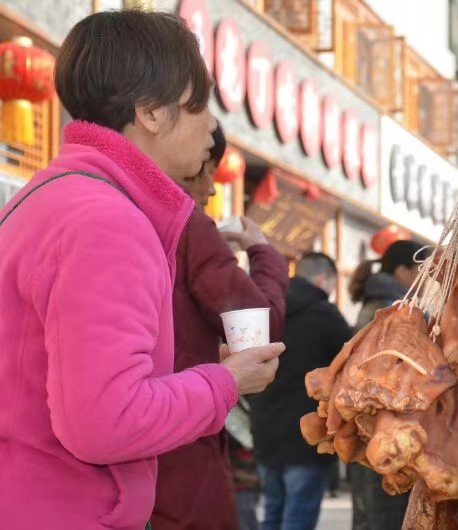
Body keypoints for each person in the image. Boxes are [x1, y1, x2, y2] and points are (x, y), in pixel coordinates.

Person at [0, 11, 283, 529]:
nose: (213, 125)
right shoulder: (107, 219)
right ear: (151, 112)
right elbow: (104, 421)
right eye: (202, 103)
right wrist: (224, 382)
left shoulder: (47, 196)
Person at [151, 124, 289, 529]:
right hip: (180, 440)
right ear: (153, 117)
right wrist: (264, 254)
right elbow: (257, 327)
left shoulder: (99, 205)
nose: (211, 187)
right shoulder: (186, 222)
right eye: (205, 167)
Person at [250, 252, 353, 530]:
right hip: (306, 432)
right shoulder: (324, 313)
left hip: (264, 428)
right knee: (298, 515)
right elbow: (352, 359)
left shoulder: (267, 309)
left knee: (273, 511)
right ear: (322, 279)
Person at [347, 240, 428, 530]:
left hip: (372, 430)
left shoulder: (380, 303)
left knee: (370, 516)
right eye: (422, 271)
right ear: (404, 270)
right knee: (383, 517)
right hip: (382, 428)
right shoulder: (391, 309)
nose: (425, 279)